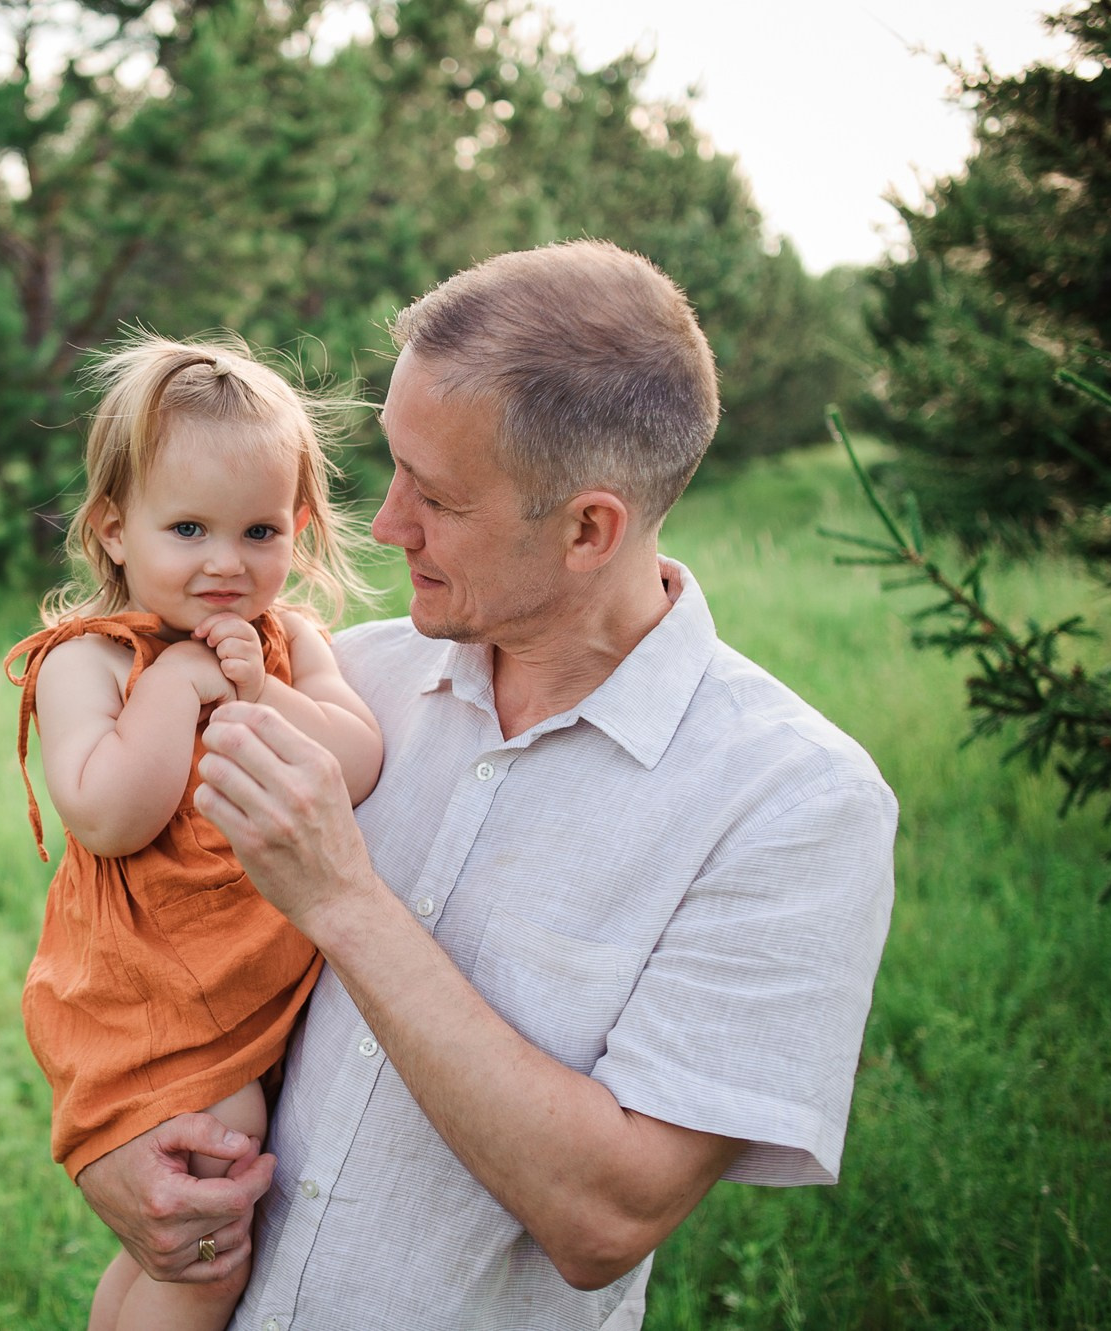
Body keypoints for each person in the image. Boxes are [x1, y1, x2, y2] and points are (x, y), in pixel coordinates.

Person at [75, 241, 899, 1330]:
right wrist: (111, 1146)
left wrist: (337, 894)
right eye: (392, 467)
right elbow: (130, 931)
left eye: (439, 494)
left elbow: (605, 1217)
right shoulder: (338, 683)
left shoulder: (788, 804)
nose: (384, 523)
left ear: (586, 529)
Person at [3, 334, 385, 1331]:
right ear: (114, 528)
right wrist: (175, 686)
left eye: (257, 531)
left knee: (183, 1254)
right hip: (142, 991)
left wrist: (259, 690)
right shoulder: (84, 662)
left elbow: (357, 760)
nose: (225, 562)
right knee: (204, 1241)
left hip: (241, 981)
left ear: (295, 532)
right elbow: (107, 814)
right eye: (186, 527)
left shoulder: (288, 641)